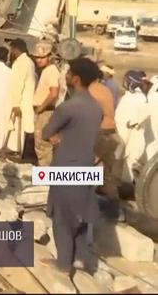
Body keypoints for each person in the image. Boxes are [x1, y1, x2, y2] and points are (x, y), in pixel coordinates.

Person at [40, 57, 102, 277]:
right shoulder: (96, 107)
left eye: (68, 74)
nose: (65, 76)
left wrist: (56, 136)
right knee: (81, 215)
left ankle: (64, 265)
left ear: (75, 79)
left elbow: (46, 133)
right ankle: (83, 261)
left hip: (66, 167)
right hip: (87, 168)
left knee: (63, 217)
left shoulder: (68, 107)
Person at [0, 39, 35, 158]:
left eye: (11, 49)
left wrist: (15, 104)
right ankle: (15, 152)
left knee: (16, 130)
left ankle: (15, 154)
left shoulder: (21, 63)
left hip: (20, 102)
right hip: (23, 100)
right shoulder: (28, 61)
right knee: (17, 130)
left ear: (15, 49)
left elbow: (18, 85)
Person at [90, 70, 122, 201]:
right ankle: (114, 205)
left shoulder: (91, 91)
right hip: (111, 133)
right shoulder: (105, 89)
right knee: (107, 174)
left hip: (100, 133)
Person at [116, 70, 150, 183]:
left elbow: (138, 118)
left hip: (131, 137)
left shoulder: (139, 99)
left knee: (130, 163)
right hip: (123, 135)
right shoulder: (130, 96)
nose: (124, 82)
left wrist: (130, 123)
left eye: (126, 80)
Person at [32, 42, 61, 166]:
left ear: (50, 57)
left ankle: (45, 175)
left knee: (43, 147)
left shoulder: (51, 71)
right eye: (37, 57)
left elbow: (54, 93)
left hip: (45, 112)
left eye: (42, 57)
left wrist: (40, 108)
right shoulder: (47, 70)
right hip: (44, 112)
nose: (38, 60)